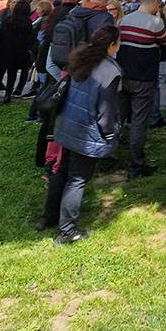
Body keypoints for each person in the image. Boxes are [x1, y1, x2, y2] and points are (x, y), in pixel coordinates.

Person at [41, 24, 123, 244]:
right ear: (112, 45)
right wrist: (108, 133)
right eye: (118, 42)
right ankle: (67, 230)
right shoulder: (109, 71)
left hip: (67, 124)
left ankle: (49, 216)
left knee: (61, 172)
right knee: (77, 179)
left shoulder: (80, 58)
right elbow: (106, 109)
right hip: (86, 130)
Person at [117, 0, 166, 178]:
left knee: (118, 118)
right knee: (139, 123)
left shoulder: (124, 20)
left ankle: (107, 156)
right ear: (155, 4)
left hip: (123, 75)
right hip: (144, 78)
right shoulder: (155, 23)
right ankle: (135, 165)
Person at [0, 0, 36, 104]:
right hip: (19, 51)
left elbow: (0, 33)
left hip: (3, 49)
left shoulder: (8, 20)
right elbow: (29, 38)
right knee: (12, 73)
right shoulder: (28, 22)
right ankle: (7, 95)